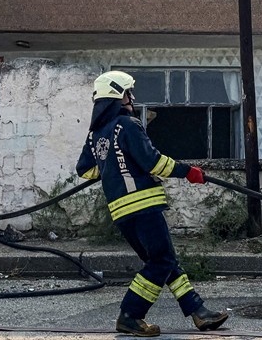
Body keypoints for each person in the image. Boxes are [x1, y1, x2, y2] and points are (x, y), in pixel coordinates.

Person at [76, 70, 229, 337]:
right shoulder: (128, 125)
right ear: (116, 95)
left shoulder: (95, 134)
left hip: (121, 212)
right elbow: (153, 162)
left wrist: (111, 166)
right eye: (127, 92)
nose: (131, 97)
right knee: (161, 261)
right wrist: (188, 171)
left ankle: (199, 312)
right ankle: (131, 315)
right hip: (144, 206)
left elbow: (85, 170)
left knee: (165, 261)